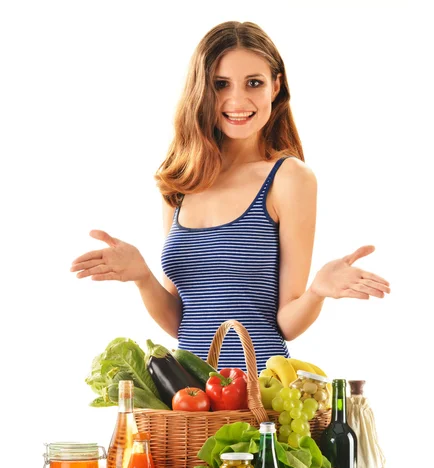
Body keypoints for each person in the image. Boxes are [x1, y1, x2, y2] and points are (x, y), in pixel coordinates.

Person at [70, 21, 390, 373]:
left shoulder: (289, 178)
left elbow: (286, 325)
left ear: (275, 87)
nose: (237, 100)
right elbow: (182, 322)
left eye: (254, 83)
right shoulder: (181, 180)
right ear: (202, 90)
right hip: (190, 396)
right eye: (221, 85)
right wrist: (142, 276)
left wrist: (317, 292)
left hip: (259, 394)